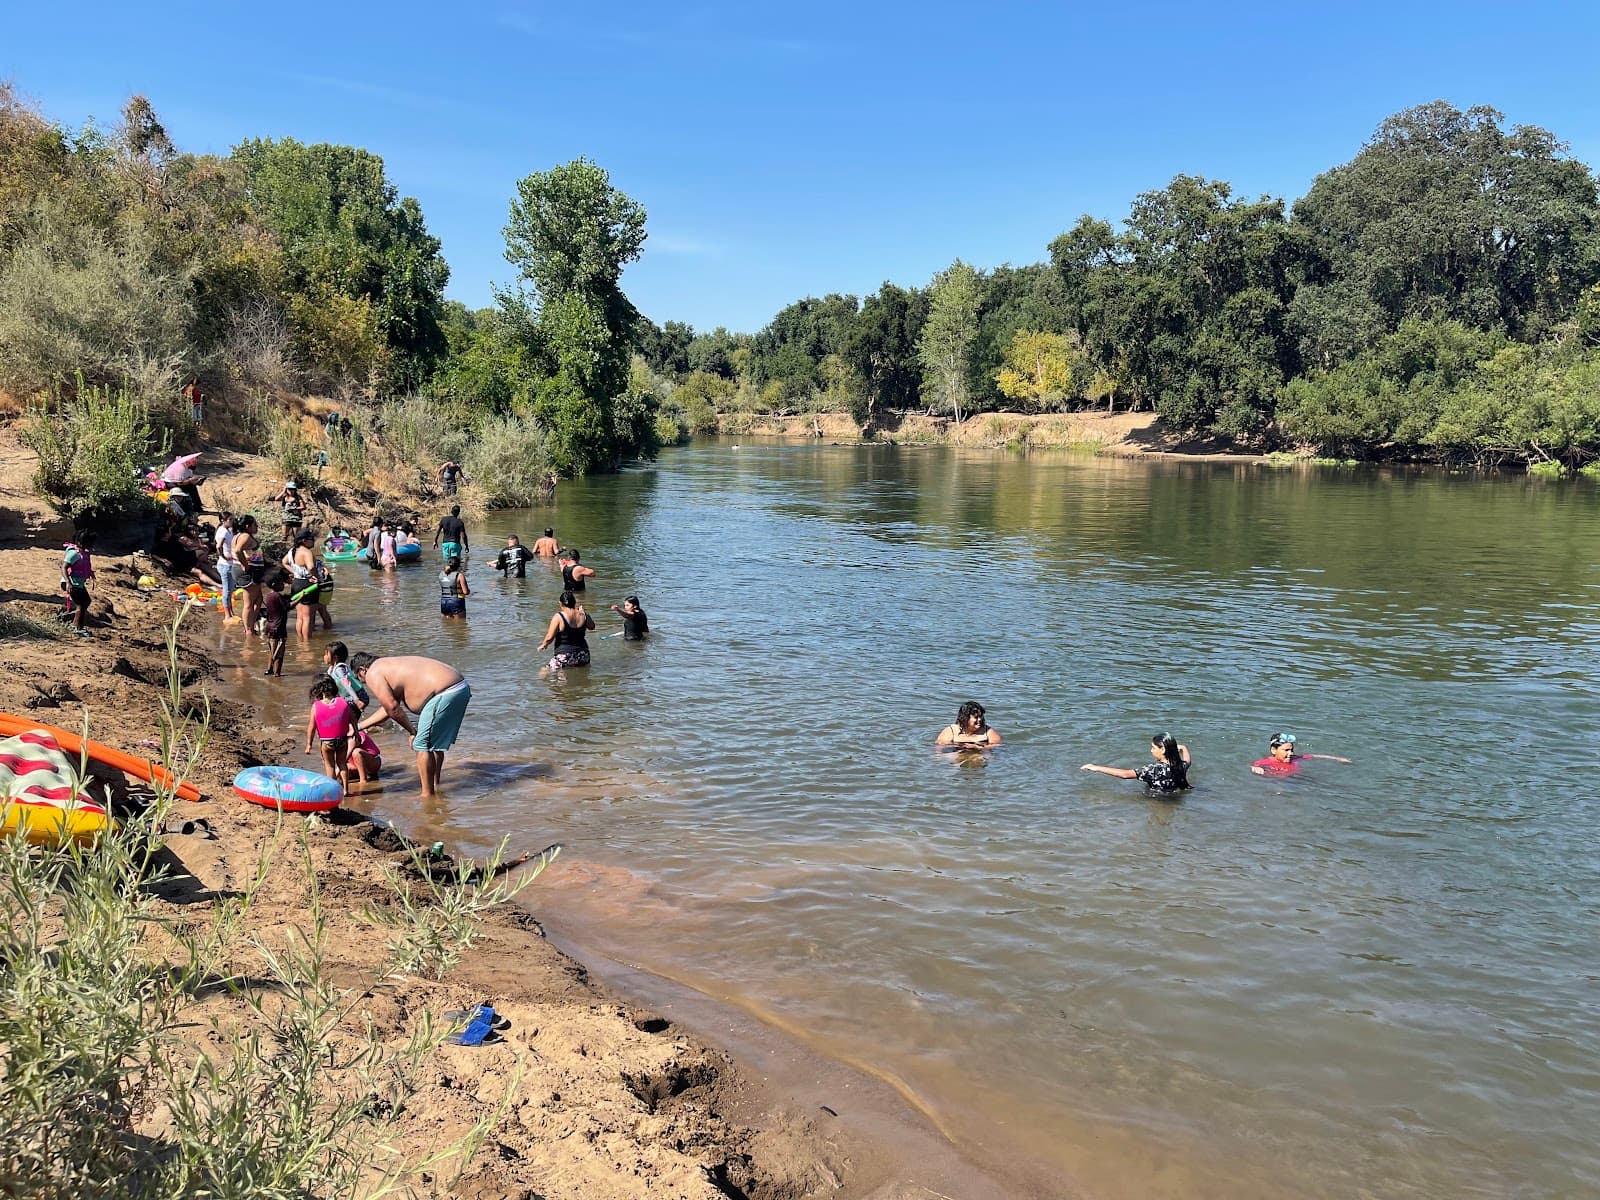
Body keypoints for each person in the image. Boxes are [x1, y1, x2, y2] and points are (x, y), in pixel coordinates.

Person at [352, 653, 471, 798]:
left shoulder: (373, 672)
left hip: (445, 692)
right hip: (459, 688)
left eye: (361, 680)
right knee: (433, 744)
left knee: (421, 744)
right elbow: (387, 709)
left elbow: (393, 708)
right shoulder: (388, 666)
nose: (366, 684)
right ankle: (435, 786)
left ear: (362, 670)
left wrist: (412, 732)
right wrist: (358, 726)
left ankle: (427, 796)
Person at [1082, 734, 1192, 794]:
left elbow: (1124, 774)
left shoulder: (1154, 769)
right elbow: (1188, 760)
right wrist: (1183, 747)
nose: (1151, 751)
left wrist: (1095, 767)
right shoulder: (1180, 766)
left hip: (1158, 801)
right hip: (1174, 798)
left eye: (1153, 748)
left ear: (1162, 750)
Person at [304, 677, 357, 793]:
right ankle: (346, 790)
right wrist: (356, 733)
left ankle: (332, 791)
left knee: (330, 766)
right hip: (342, 739)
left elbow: (311, 727)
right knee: (342, 764)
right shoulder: (343, 702)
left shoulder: (316, 706)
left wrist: (309, 744)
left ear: (318, 690)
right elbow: (353, 719)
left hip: (327, 742)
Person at [538, 590, 593, 669]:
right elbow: (592, 627)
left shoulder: (559, 617)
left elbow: (549, 637)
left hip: (565, 656)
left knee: (544, 672)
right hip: (583, 655)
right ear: (574, 603)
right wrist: (585, 613)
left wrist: (544, 645)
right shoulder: (583, 615)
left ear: (561, 604)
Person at [1251, 733, 1352, 776]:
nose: (1290, 753)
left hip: (1299, 779)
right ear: (1274, 750)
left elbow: (1315, 756)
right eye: (1286, 750)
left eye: (1291, 750)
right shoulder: (1267, 762)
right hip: (1282, 782)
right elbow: (1254, 765)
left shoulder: (1295, 758)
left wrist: (1338, 758)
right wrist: (1255, 768)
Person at [283, 529, 321, 638]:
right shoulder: (306, 552)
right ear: (304, 540)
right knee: (308, 617)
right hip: (308, 585)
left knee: (300, 616)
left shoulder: (292, 551)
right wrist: (317, 578)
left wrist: (295, 572)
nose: (313, 541)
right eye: (311, 539)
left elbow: (284, 562)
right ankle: (307, 642)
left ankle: (300, 640)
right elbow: (311, 567)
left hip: (296, 584)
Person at [234, 516, 266, 636]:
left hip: (252, 571)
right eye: (255, 525)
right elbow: (237, 551)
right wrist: (245, 565)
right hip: (248, 572)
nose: (257, 527)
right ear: (247, 526)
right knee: (249, 603)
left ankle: (251, 625)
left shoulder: (239, 535)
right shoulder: (245, 536)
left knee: (259, 599)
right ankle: (248, 631)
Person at [61, 535, 95, 637]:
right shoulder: (73, 553)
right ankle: (77, 628)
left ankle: (77, 626)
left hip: (78, 583)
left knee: (86, 601)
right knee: (82, 604)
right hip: (71, 583)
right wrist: (68, 582)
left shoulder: (83, 553)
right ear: (81, 542)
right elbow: (64, 567)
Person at [935, 701, 1001, 747]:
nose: (980, 719)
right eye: (976, 717)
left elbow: (997, 746)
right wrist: (961, 747)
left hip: (980, 752)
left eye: (981, 716)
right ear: (965, 718)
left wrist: (980, 747)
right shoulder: (951, 731)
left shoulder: (988, 731)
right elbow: (940, 748)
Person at [324, 641, 367, 712]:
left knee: (344, 713)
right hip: (352, 697)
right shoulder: (331, 669)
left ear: (335, 658)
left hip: (358, 696)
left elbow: (346, 684)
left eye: (326, 654)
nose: (324, 656)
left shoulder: (339, 669)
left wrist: (356, 700)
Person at [262, 573, 289, 676]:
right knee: (279, 651)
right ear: (274, 584)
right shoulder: (277, 596)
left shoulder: (269, 596)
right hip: (278, 627)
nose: (283, 585)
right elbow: (287, 607)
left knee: (272, 649)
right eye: (281, 583)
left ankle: (269, 669)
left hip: (270, 626)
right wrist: (301, 598)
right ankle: (277, 673)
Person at [214, 514, 239, 622]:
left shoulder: (226, 530)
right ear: (222, 520)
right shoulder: (223, 531)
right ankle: (227, 615)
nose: (232, 521)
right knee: (227, 590)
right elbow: (218, 546)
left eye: (232, 519)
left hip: (228, 564)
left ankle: (231, 612)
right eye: (230, 519)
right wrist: (223, 556)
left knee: (230, 589)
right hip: (225, 564)